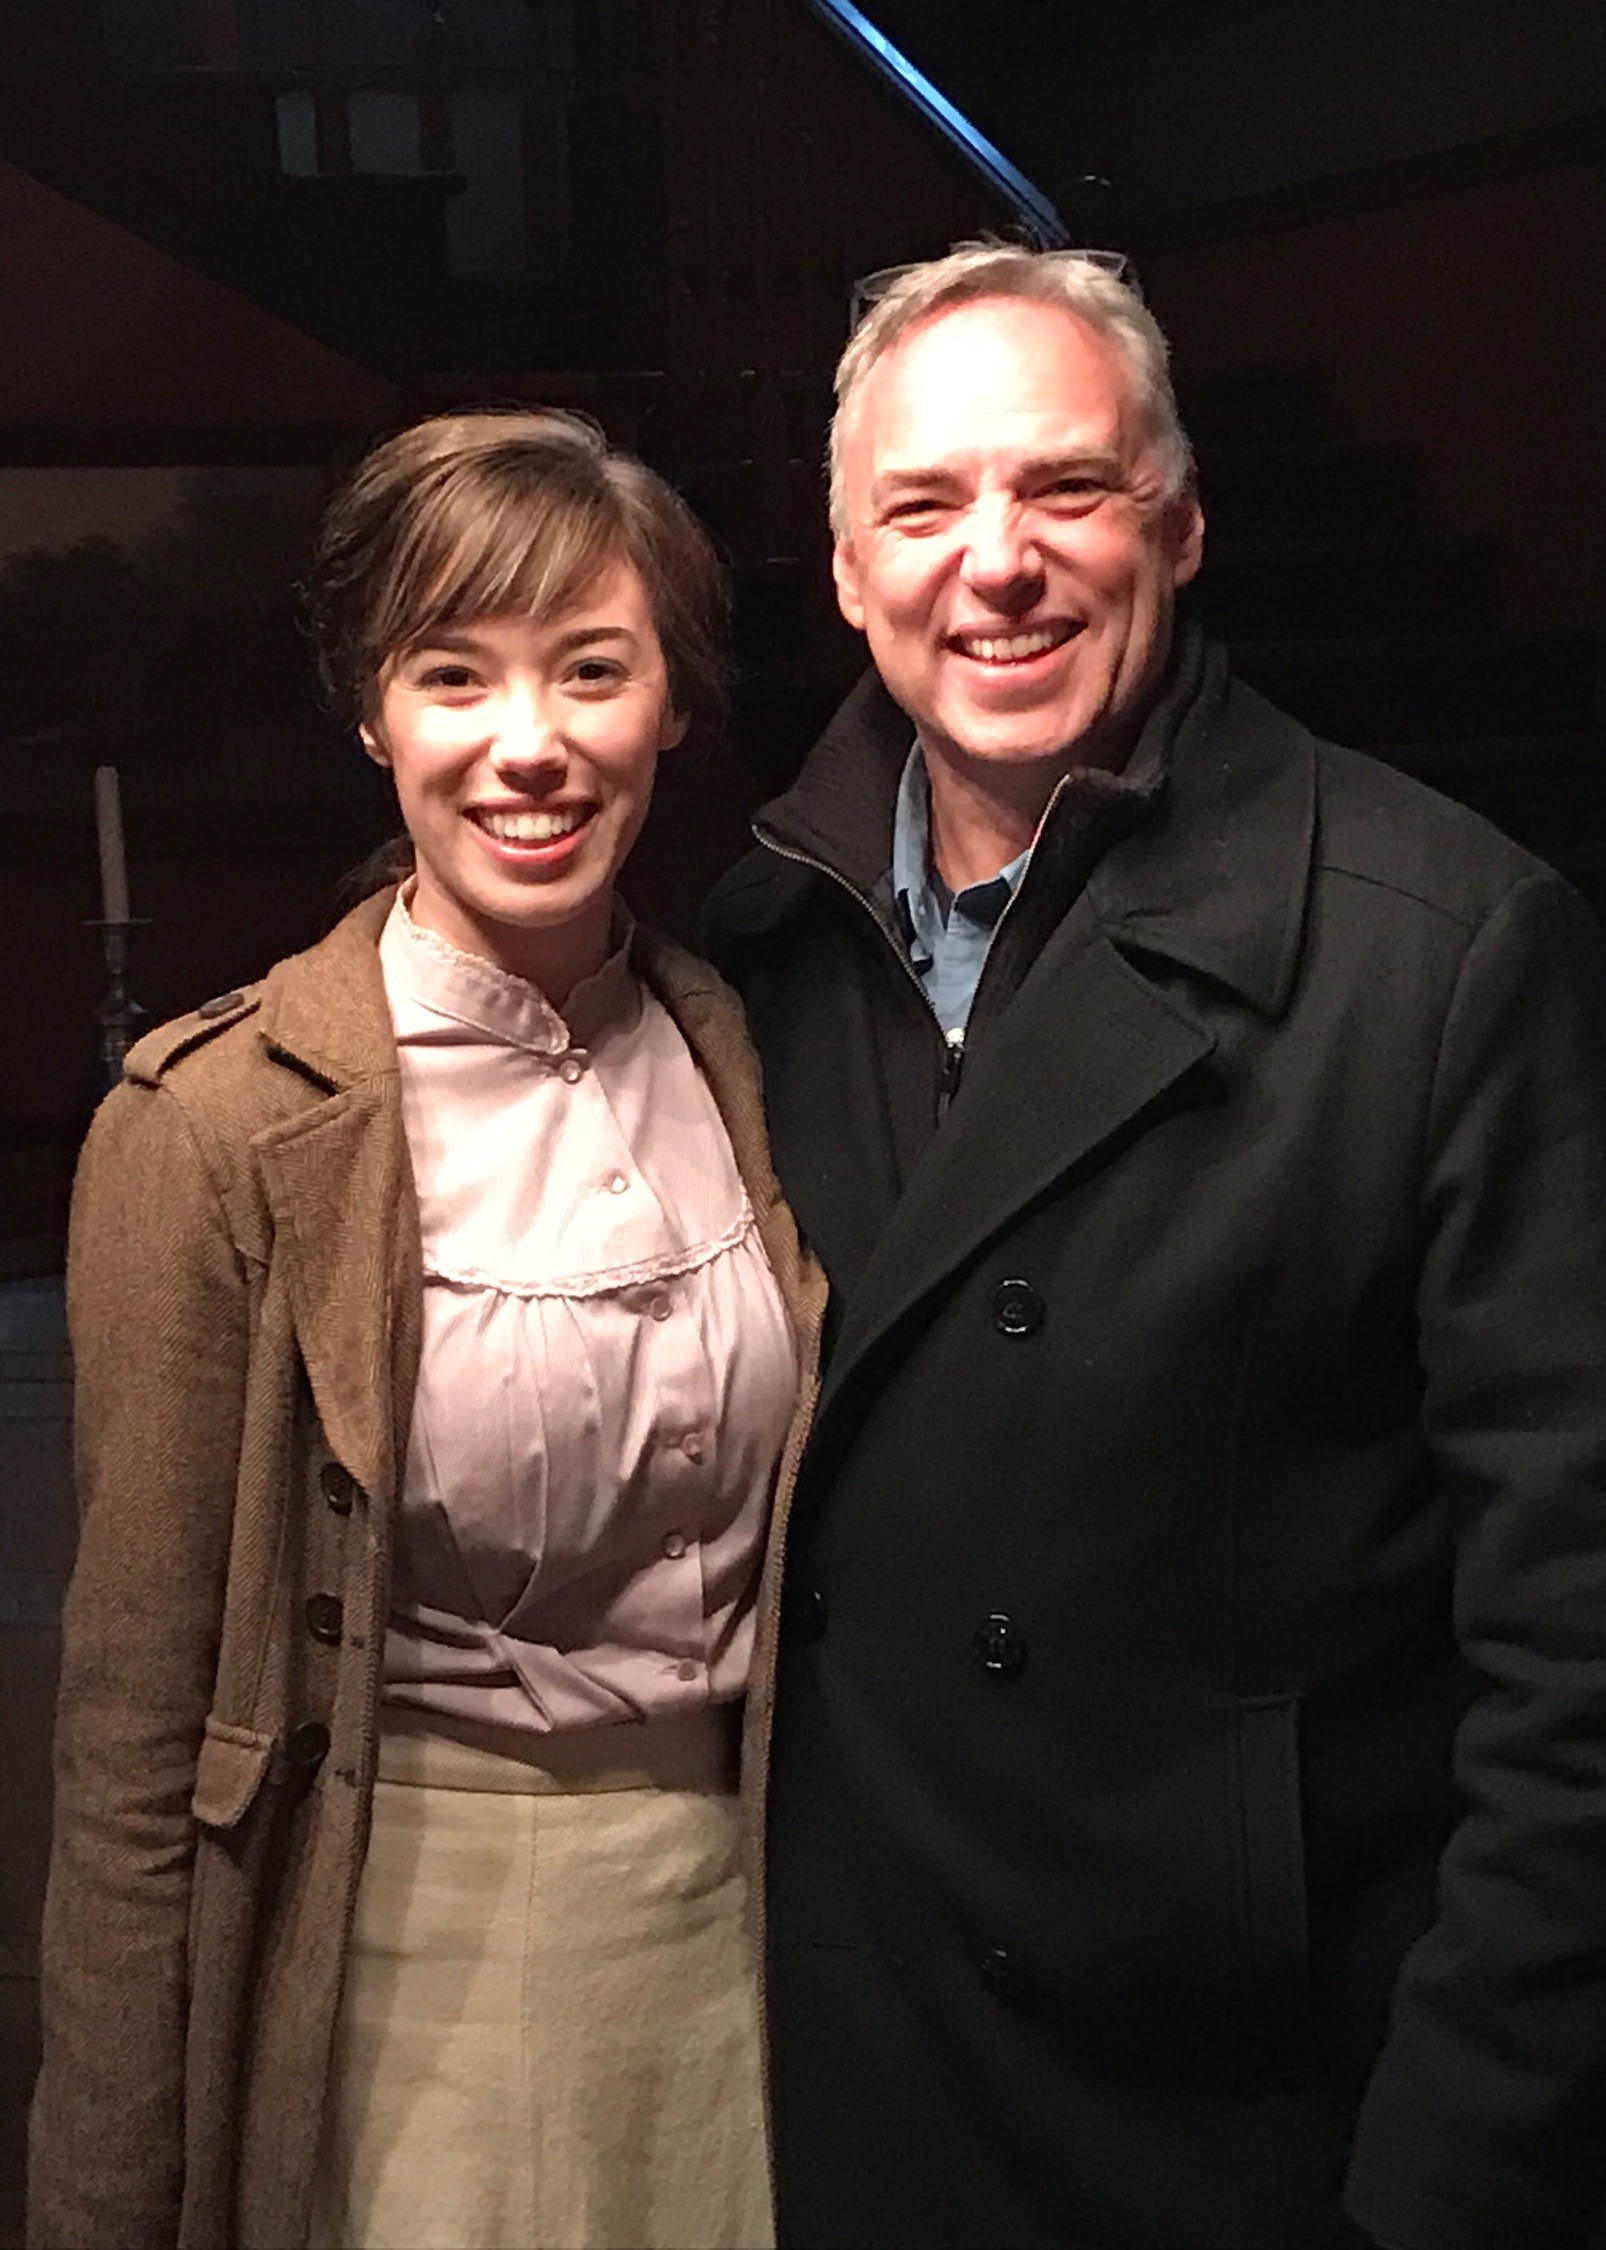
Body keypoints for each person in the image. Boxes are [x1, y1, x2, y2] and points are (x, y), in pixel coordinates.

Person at [701, 242, 1606, 2250]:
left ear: (1178, 527)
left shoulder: (1441, 952)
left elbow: (1575, 1674)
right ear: (846, 574)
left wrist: (1457, 2180)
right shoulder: (747, 960)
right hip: (860, 2098)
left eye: (1066, 489)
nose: (994, 563)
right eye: (922, 508)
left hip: (1255, 2125)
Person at [29, 408, 823, 2250]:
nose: (526, 742)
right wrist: (102, 2200)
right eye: (454, 674)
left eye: (592, 670)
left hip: (744, 1945)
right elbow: (134, 1746)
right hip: (394, 1970)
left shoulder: (744, 1046)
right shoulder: (220, 1126)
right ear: (374, 715)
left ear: (671, 707)